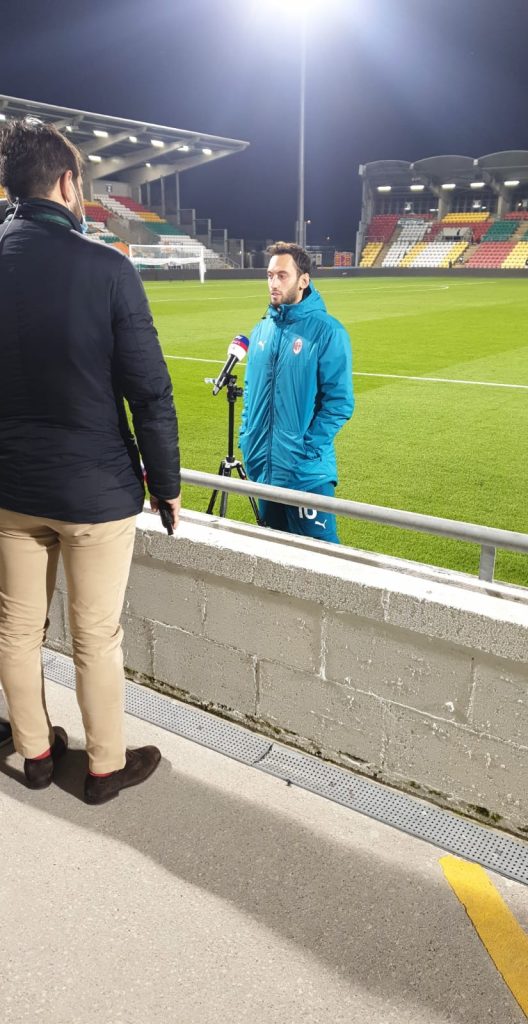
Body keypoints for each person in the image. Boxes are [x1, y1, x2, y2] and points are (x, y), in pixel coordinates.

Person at [0, 119, 181, 804]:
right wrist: (166, 484)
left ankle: (35, 754)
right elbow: (149, 390)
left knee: (16, 630)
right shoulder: (107, 267)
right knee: (96, 636)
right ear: (68, 183)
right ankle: (104, 767)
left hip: (11, 488)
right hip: (94, 492)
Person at [239, 242, 353, 543]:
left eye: (282, 275)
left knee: (322, 559)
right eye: (269, 275)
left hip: (306, 474)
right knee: (274, 554)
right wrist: (247, 436)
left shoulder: (328, 331)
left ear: (303, 281)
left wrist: (307, 449)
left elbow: (339, 403)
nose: (273, 283)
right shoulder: (262, 330)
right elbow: (250, 392)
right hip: (265, 469)